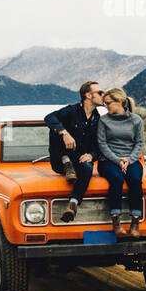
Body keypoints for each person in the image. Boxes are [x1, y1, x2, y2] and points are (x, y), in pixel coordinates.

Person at [44, 81, 104, 222]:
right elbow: (49, 118)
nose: (103, 96)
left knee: (88, 167)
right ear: (88, 95)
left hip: (79, 160)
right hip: (59, 160)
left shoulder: (98, 119)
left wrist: (91, 155)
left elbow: (99, 145)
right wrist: (64, 133)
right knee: (56, 127)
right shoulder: (72, 110)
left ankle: (73, 204)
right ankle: (66, 162)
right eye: (100, 93)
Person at [96, 87, 145, 236]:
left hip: (131, 160)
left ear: (119, 102)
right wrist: (118, 161)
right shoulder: (103, 120)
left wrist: (129, 160)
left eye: (108, 103)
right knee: (116, 178)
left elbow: (139, 143)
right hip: (108, 160)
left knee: (135, 179)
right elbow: (102, 144)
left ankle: (135, 222)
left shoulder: (136, 120)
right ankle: (115, 220)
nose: (105, 106)